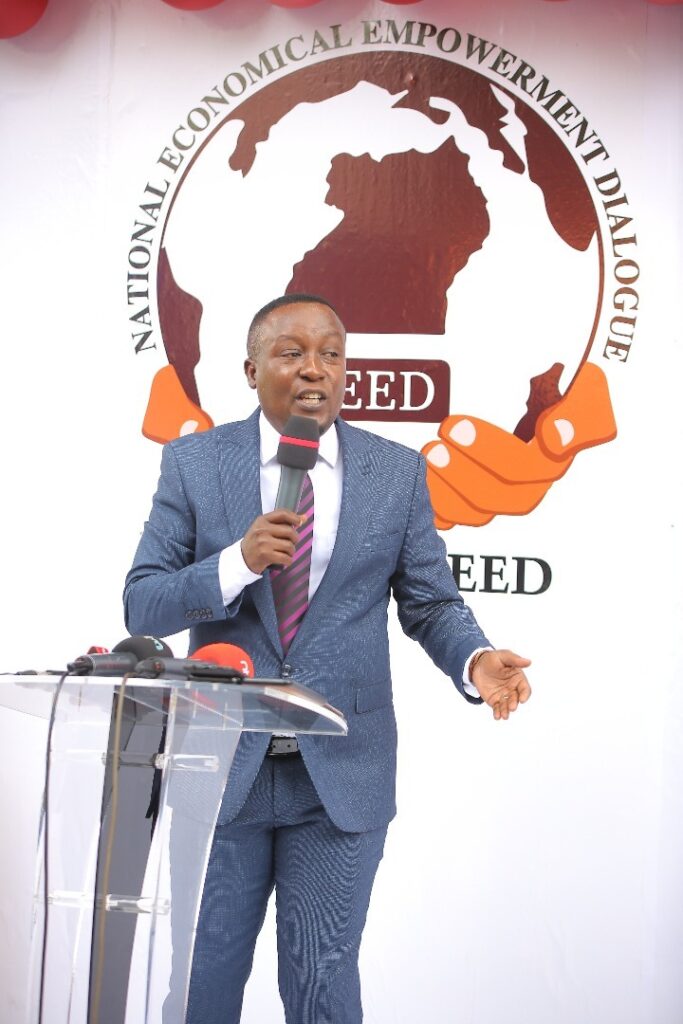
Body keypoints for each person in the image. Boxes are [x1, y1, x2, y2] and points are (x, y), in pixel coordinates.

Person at [124, 294, 531, 1024]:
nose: (315, 369)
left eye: (332, 354)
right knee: (202, 977)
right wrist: (236, 563)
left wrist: (474, 661)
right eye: (292, 353)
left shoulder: (394, 473)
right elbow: (143, 605)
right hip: (221, 772)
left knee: (322, 979)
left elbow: (430, 602)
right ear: (251, 370)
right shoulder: (194, 464)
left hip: (339, 776)